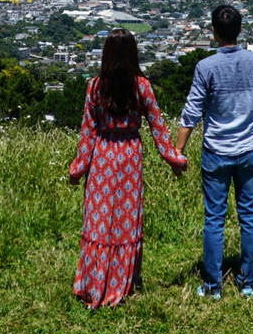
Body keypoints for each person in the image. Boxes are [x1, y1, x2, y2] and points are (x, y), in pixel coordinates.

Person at [68, 28, 187, 309]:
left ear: (106, 54)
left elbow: (87, 133)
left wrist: (77, 170)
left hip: (102, 158)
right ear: (133, 53)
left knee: (99, 221)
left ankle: (95, 284)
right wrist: (175, 160)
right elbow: (158, 128)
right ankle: (123, 284)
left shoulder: (95, 87)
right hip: (130, 158)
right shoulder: (142, 86)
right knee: (125, 223)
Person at [176, 5, 253, 301]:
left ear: (213, 32)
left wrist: (178, 151)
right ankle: (247, 284)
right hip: (249, 150)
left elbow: (191, 113)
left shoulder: (206, 67)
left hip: (216, 152)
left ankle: (212, 286)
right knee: (249, 217)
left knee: (214, 219)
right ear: (240, 29)